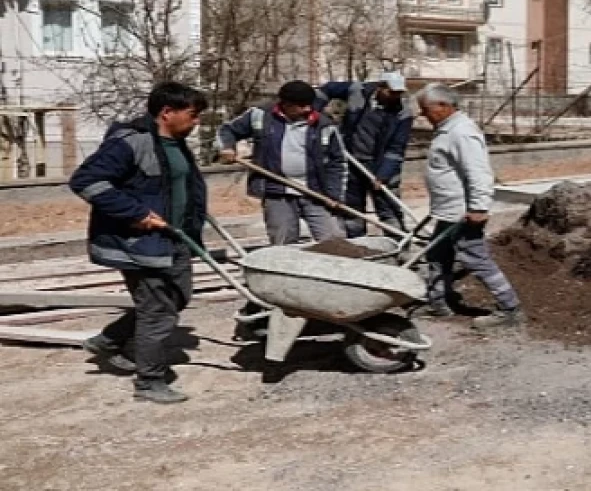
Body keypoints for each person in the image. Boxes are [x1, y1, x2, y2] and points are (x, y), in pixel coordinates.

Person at [69, 82, 209, 403]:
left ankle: (111, 339)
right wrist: (135, 213)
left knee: (178, 296)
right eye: (193, 114)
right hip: (139, 242)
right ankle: (149, 382)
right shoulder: (131, 143)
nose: (197, 121)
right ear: (166, 113)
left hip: (173, 237)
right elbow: (85, 180)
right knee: (158, 311)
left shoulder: (175, 141)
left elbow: (177, 184)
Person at [413, 84, 523, 328]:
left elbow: (479, 172)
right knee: (437, 255)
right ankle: (439, 302)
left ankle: (510, 308)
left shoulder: (461, 132)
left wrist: (479, 207)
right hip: (448, 210)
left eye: (425, 109)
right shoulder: (446, 130)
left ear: (444, 106)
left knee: (475, 258)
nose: (423, 115)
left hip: (463, 213)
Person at [216, 80, 346, 246]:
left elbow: (338, 162)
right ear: (286, 104)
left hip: (316, 192)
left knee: (334, 240)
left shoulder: (323, 124)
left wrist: (335, 195)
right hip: (277, 190)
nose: (307, 109)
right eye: (301, 105)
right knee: (283, 241)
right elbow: (227, 130)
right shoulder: (261, 116)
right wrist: (227, 148)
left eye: (309, 105)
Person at [317, 69, 414, 237]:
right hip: (351, 160)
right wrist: (316, 113)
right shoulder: (358, 91)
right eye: (392, 92)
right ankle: (357, 243)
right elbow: (325, 89)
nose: (395, 96)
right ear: (380, 87)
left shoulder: (403, 112)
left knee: (389, 208)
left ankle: (398, 242)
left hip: (380, 164)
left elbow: (397, 148)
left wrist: (383, 175)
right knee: (352, 208)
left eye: (399, 93)